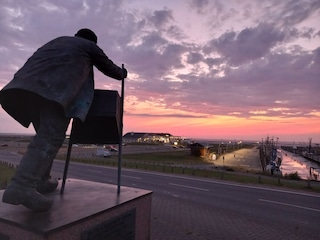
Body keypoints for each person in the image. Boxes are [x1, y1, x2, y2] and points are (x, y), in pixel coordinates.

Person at [0, 28, 127, 211]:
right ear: (92, 41)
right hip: (53, 92)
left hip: (24, 90)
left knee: (44, 138)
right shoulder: (88, 46)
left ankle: (41, 181)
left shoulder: (57, 41)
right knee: (50, 138)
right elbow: (110, 68)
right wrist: (123, 73)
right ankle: (21, 186)